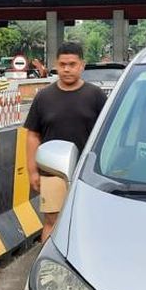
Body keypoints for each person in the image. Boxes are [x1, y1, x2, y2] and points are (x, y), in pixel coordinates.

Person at [24, 42, 107, 242]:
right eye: (62, 64)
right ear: (56, 65)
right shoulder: (43, 97)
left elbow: (107, 134)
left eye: (72, 64)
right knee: (53, 222)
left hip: (88, 174)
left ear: (82, 65)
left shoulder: (96, 96)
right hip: (52, 173)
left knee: (87, 222)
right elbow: (33, 135)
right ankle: (48, 261)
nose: (67, 69)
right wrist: (33, 171)